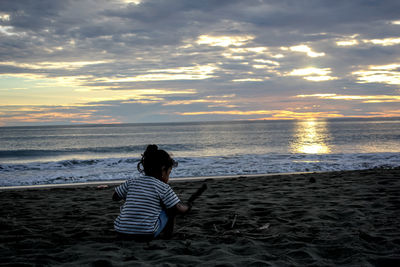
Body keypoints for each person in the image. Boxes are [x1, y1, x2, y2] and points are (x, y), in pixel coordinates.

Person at [112, 144, 191, 240]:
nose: (168, 178)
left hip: (121, 232)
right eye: (169, 173)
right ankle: (167, 236)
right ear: (163, 170)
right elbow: (178, 208)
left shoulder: (131, 182)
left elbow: (115, 197)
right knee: (170, 210)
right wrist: (187, 207)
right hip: (146, 233)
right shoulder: (163, 187)